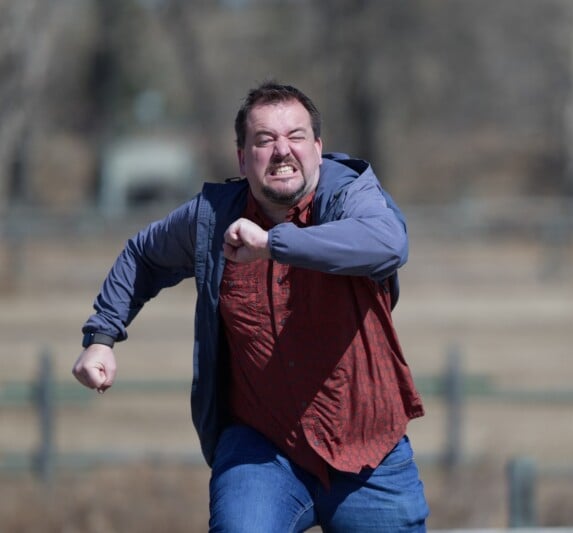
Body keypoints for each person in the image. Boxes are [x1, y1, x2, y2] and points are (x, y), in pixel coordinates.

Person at [72, 80, 429, 532]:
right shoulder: (213, 217)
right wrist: (102, 336)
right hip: (263, 446)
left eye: (296, 137)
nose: (283, 151)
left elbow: (387, 243)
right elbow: (144, 255)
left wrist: (274, 245)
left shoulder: (350, 196)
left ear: (318, 148)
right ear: (242, 157)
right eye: (265, 140)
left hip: (367, 447)